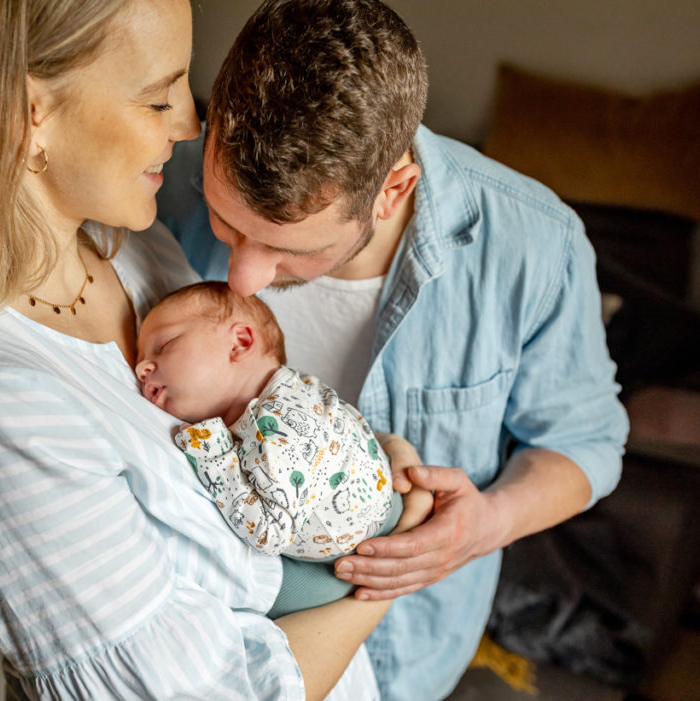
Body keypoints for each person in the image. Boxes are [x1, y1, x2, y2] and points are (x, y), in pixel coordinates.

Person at [0, 1, 429, 699]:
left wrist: (375, 475)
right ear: (31, 111)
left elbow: (240, 445)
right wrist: (382, 579)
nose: (190, 125)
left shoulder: (130, 248)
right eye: (159, 97)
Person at [156, 0, 631, 699]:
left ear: (394, 189)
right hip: (202, 645)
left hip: (404, 661)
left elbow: (587, 442)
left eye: (292, 251)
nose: (244, 279)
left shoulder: (534, 246)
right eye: (226, 222)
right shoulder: (162, 182)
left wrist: (485, 524)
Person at [134, 281, 433, 617]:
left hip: (348, 558)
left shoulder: (276, 425)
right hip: (366, 522)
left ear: (240, 342)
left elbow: (268, 532)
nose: (141, 368)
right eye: (142, 357)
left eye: (164, 346)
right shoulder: (288, 391)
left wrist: (214, 453)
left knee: (245, 596)